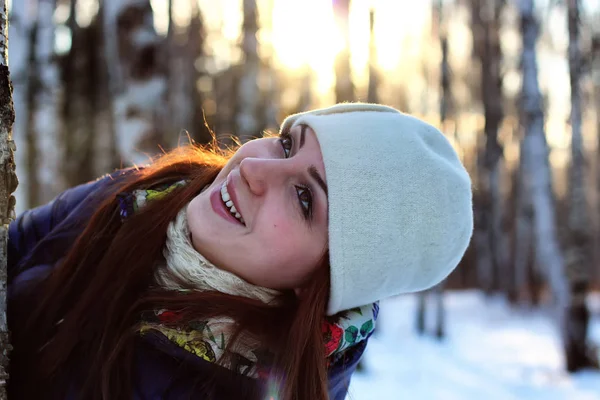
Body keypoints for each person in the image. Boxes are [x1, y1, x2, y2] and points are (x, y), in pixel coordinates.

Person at [7, 103, 473, 400]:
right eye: (287, 144)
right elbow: (16, 247)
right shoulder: (154, 195)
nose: (252, 167)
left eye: (305, 197)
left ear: (323, 281)